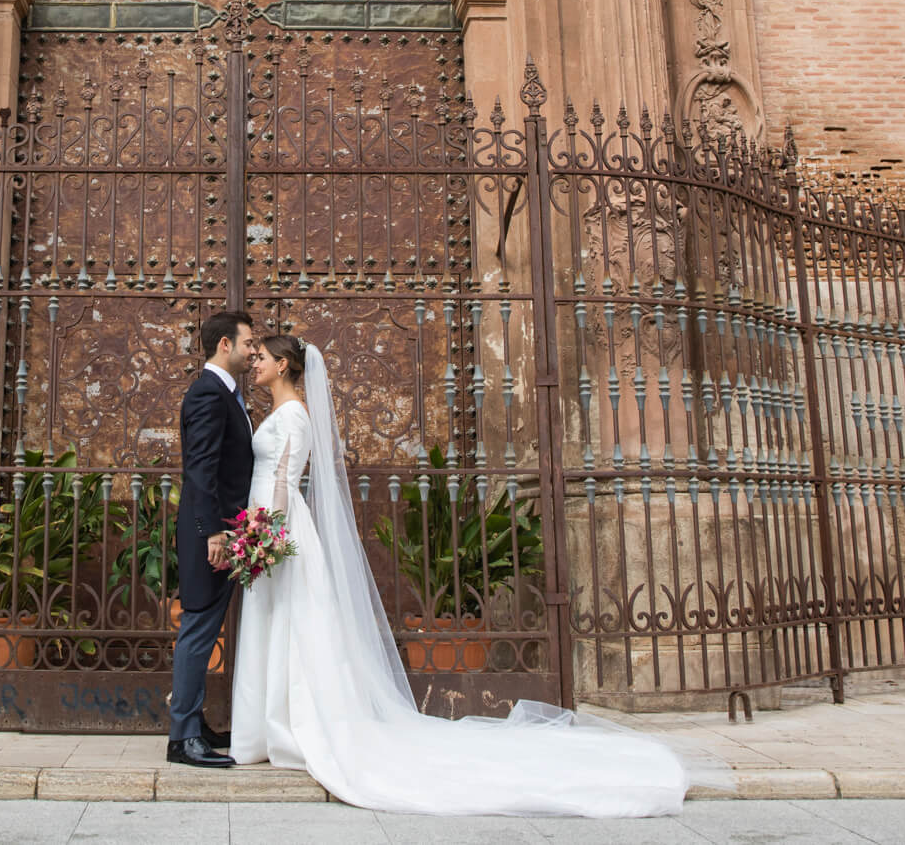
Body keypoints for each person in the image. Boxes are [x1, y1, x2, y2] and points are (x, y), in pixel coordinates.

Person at [223, 333, 704, 817]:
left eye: (260, 357)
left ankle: (289, 728)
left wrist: (265, 532)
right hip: (269, 524)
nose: (253, 363)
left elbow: (285, 479)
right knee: (281, 623)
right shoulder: (280, 413)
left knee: (293, 623)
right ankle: (273, 725)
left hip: (278, 526)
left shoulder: (293, 416)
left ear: (283, 365)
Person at [164, 309, 257, 770]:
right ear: (225, 344)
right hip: (210, 534)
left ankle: (195, 724)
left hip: (222, 529)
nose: (253, 349)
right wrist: (214, 531)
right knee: (198, 629)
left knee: (204, 626)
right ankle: (182, 739)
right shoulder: (207, 392)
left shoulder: (228, 394)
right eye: (247, 342)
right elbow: (199, 469)